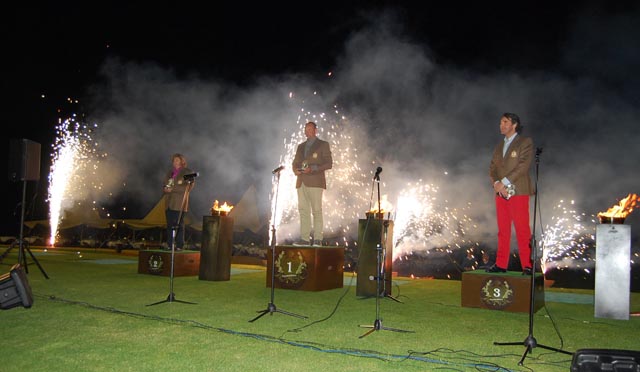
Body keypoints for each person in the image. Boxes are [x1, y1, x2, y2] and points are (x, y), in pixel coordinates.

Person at [487, 113, 534, 275]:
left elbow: (523, 166)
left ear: (514, 125)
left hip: (518, 191)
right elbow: (492, 167)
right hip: (500, 192)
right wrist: (496, 183)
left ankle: (527, 265)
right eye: (500, 122)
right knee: (503, 230)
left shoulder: (525, 142)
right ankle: (501, 264)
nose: (501, 125)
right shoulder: (500, 145)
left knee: (522, 229)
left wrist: (504, 182)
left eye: (505, 122)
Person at [292, 121, 332, 246]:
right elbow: (295, 162)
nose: (307, 131)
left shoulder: (323, 144)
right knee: (303, 210)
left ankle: (318, 239)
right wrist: (295, 170)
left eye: (310, 129)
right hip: (301, 181)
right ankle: (304, 239)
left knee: (316, 210)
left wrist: (313, 168)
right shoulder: (300, 146)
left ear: (316, 130)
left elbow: (329, 163)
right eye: (305, 129)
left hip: (315, 181)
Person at [163, 153, 194, 251]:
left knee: (179, 224)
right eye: (174, 160)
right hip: (168, 203)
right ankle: (169, 244)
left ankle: (180, 245)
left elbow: (188, 186)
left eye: (177, 160)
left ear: (182, 161)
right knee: (169, 225)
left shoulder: (187, 172)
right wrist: (165, 188)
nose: (175, 162)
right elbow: (165, 184)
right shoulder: (170, 172)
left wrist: (173, 189)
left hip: (179, 202)